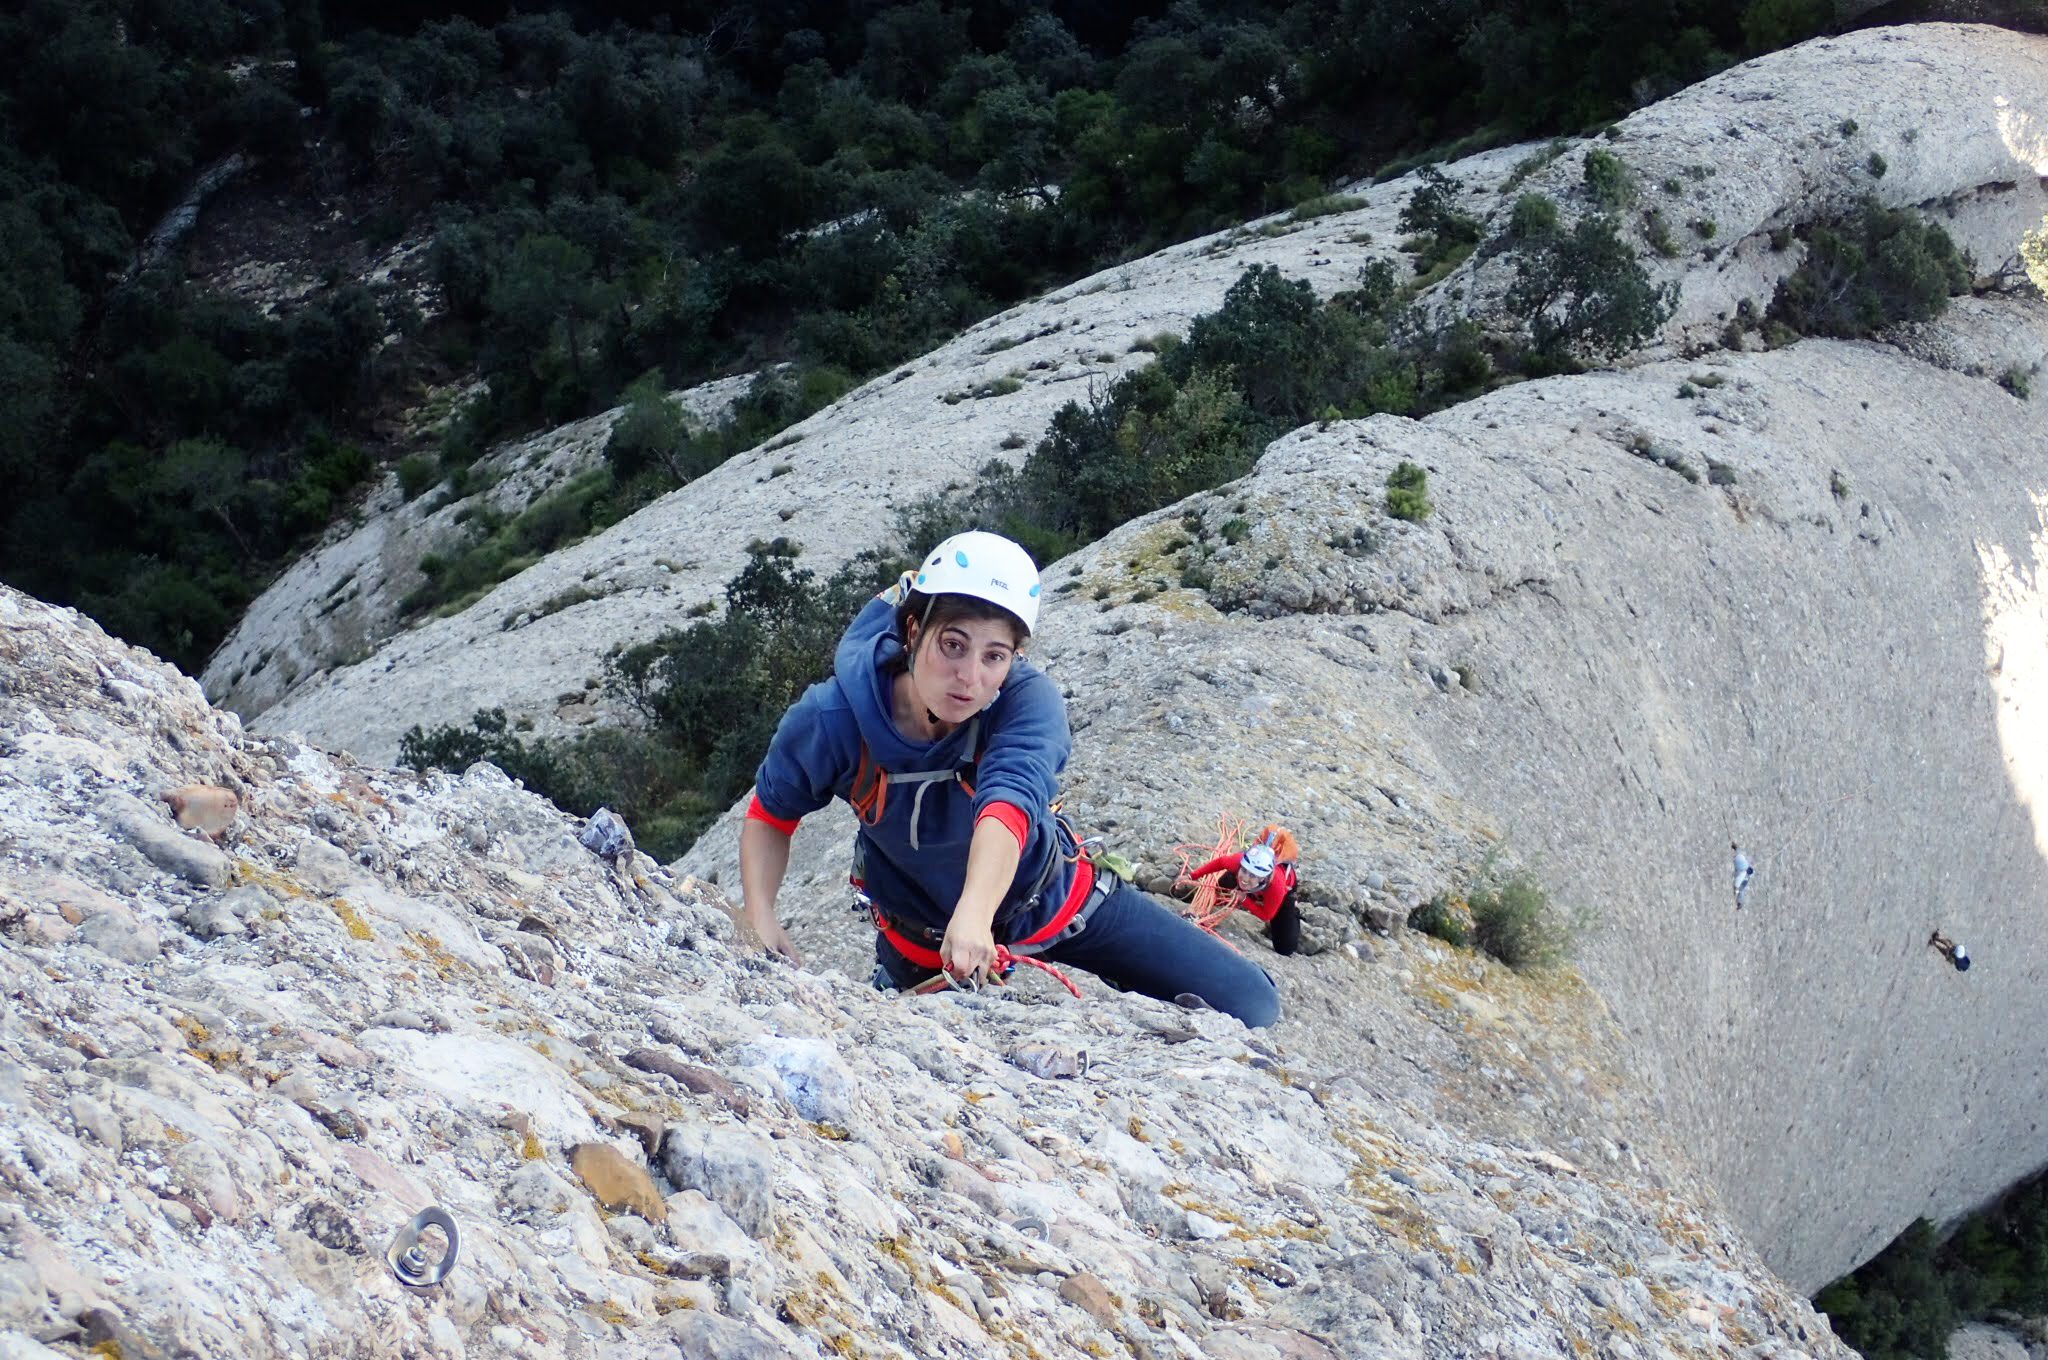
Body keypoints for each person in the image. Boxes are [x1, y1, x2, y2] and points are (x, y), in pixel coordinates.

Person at [738, 531, 1280, 1028]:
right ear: (913, 630)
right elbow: (772, 812)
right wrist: (760, 913)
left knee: (1251, 1004)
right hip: (923, 941)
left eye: (994, 656)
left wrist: (974, 914)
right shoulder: (834, 718)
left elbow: (1009, 802)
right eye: (953, 644)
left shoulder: (1026, 702)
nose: (970, 677)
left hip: (1054, 900)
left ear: (1013, 658)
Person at [1186, 830, 1303, 956]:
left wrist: (1244, 900)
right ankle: (1248, 891)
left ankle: (1293, 910)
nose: (1246, 877)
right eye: (1245, 871)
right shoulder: (1239, 861)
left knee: (1285, 948)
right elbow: (1219, 863)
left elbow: (1266, 915)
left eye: (1252, 875)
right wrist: (1191, 876)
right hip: (1254, 887)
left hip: (1285, 892)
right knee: (1225, 882)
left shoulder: (1276, 888)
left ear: (1263, 878)